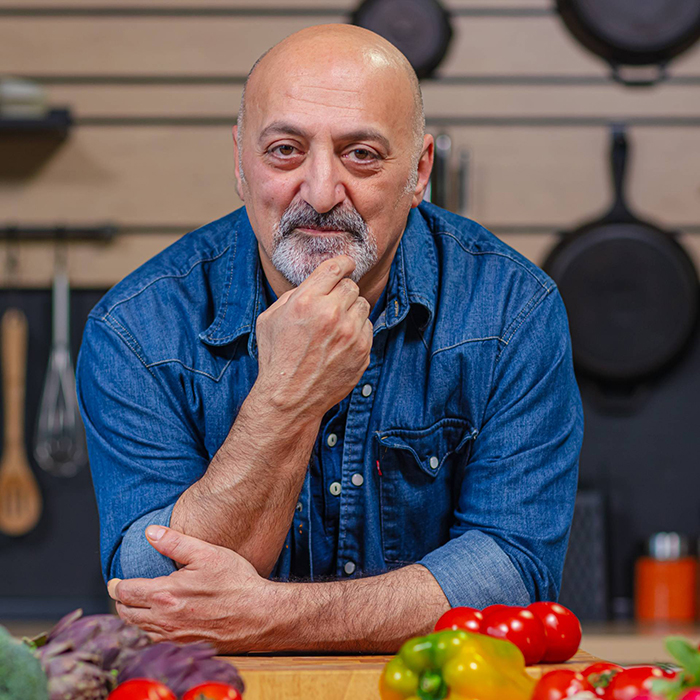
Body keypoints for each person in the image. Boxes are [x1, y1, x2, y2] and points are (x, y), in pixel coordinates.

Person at [77, 23, 583, 653]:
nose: (319, 193)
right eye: (285, 150)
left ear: (420, 169)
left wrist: (277, 617)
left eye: (361, 154)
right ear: (240, 161)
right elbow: (153, 588)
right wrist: (286, 396)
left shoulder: (512, 312)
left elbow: (515, 570)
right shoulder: (136, 329)